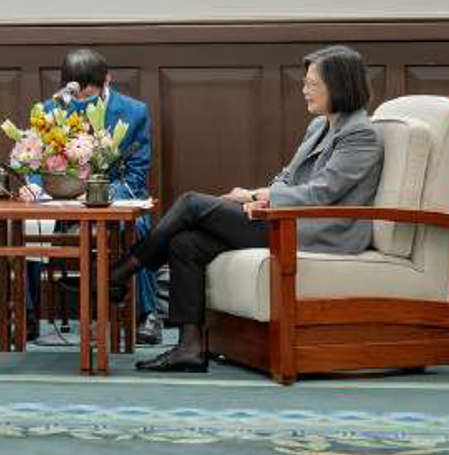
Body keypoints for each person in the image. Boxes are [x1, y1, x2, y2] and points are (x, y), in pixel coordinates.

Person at [108, 45, 384, 372]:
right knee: (186, 244)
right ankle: (190, 347)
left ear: (339, 85)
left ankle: (125, 269)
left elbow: (322, 193)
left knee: (192, 203)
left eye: (312, 83)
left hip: (320, 230)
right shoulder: (320, 126)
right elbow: (288, 176)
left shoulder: (361, 135)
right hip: (287, 217)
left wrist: (261, 200)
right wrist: (256, 194)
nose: (304, 89)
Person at [21, 48, 164, 344]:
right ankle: (28, 315)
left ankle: (147, 315)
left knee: (141, 228)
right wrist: (34, 185)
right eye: (77, 95)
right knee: (27, 225)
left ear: (107, 81)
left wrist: (95, 194)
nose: (82, 102)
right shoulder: (51, 109)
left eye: (89, 95)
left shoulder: (134, 113)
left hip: (113, 200)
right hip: (60, 202)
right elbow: (37, 161)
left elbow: (137, 176)